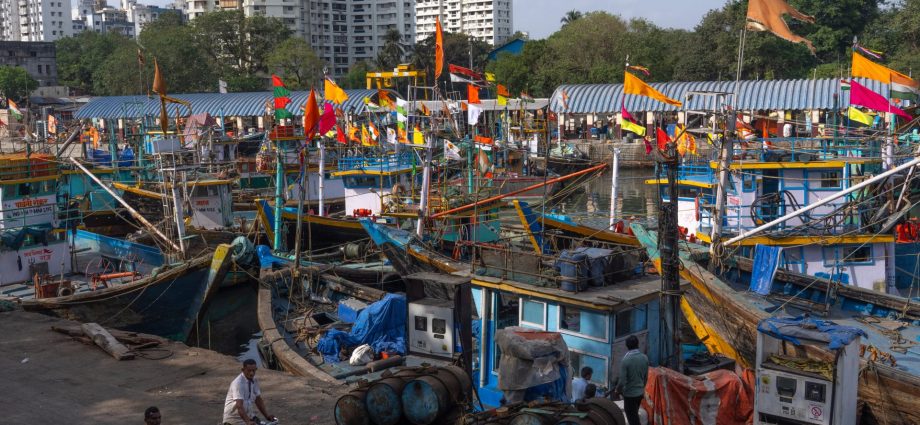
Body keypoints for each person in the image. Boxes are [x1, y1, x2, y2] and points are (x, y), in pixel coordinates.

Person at [223, 359, 276, 425]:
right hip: (233, 419)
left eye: (253, 370)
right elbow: (239, 406)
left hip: (249, 416)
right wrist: (247, 421)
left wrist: (267, 416)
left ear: (256, 369)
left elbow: (258, 400)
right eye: (249, 370)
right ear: (243, 370)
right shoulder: (238, 383)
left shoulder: (254, 380)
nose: (251, 373)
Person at [614, 335, 649, 425]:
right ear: (638, 344)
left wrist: (617, 390)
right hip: (640, 393)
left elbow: (622, 381)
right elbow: (646, 377)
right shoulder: (644, 358)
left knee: (633, 420)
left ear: (627, 346)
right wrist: (642, 388)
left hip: (630, 395)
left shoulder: (626, 361)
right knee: (634, 415)